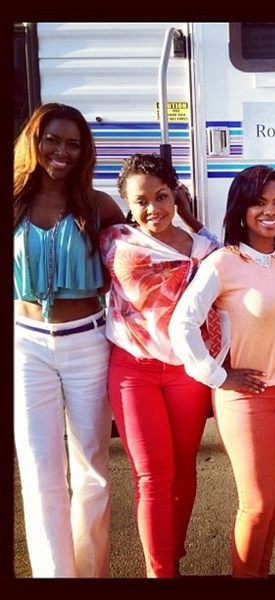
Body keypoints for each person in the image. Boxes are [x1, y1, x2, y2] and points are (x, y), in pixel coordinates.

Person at [169, 165, 275, 578]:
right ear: (241, 209)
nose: (271, 211)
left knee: (273, 497)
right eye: (259, 202)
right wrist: (216, 375)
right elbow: (182, 322)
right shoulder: (223, 262)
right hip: (247, 397)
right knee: (257, 504)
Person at [13, 102, 125, 577]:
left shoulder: (98, 206)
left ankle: (91, 574)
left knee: (92, 468)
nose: (62, 151)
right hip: (25, 345)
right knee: (39, 467)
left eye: (73, 144)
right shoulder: (12, 200)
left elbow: (142, 262)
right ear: (35, 142)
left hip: (87, 343)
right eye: (52, 140)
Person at [99, 153, 222, 578]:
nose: (153, 208)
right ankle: (160, 572)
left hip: (187, 372)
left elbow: (229, 263)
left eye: (162, 196)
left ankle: (172, 554)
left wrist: (191, 217)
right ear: (127, 204)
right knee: (152, 476)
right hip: (133, 371)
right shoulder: (114, 240)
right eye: (141, 201)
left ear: (176, 195)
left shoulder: (203, 250)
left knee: (183, 470)